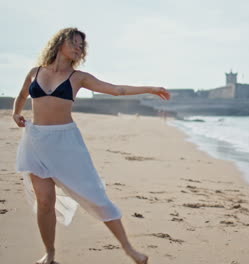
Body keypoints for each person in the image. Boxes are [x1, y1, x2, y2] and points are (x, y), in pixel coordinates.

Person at [12, 27, 170, 264]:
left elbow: (117, 90)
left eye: (81, 46)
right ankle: (50, 254)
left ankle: (129, 249)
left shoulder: (79, 78)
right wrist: (16, 113)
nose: (79, 48)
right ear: (60, 42)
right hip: (35, 142)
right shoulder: (35, 72)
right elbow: (23, 95)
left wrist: (150, 88)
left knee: (96, 197)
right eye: (75, 43)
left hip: (66, 144)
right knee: (45, 202)